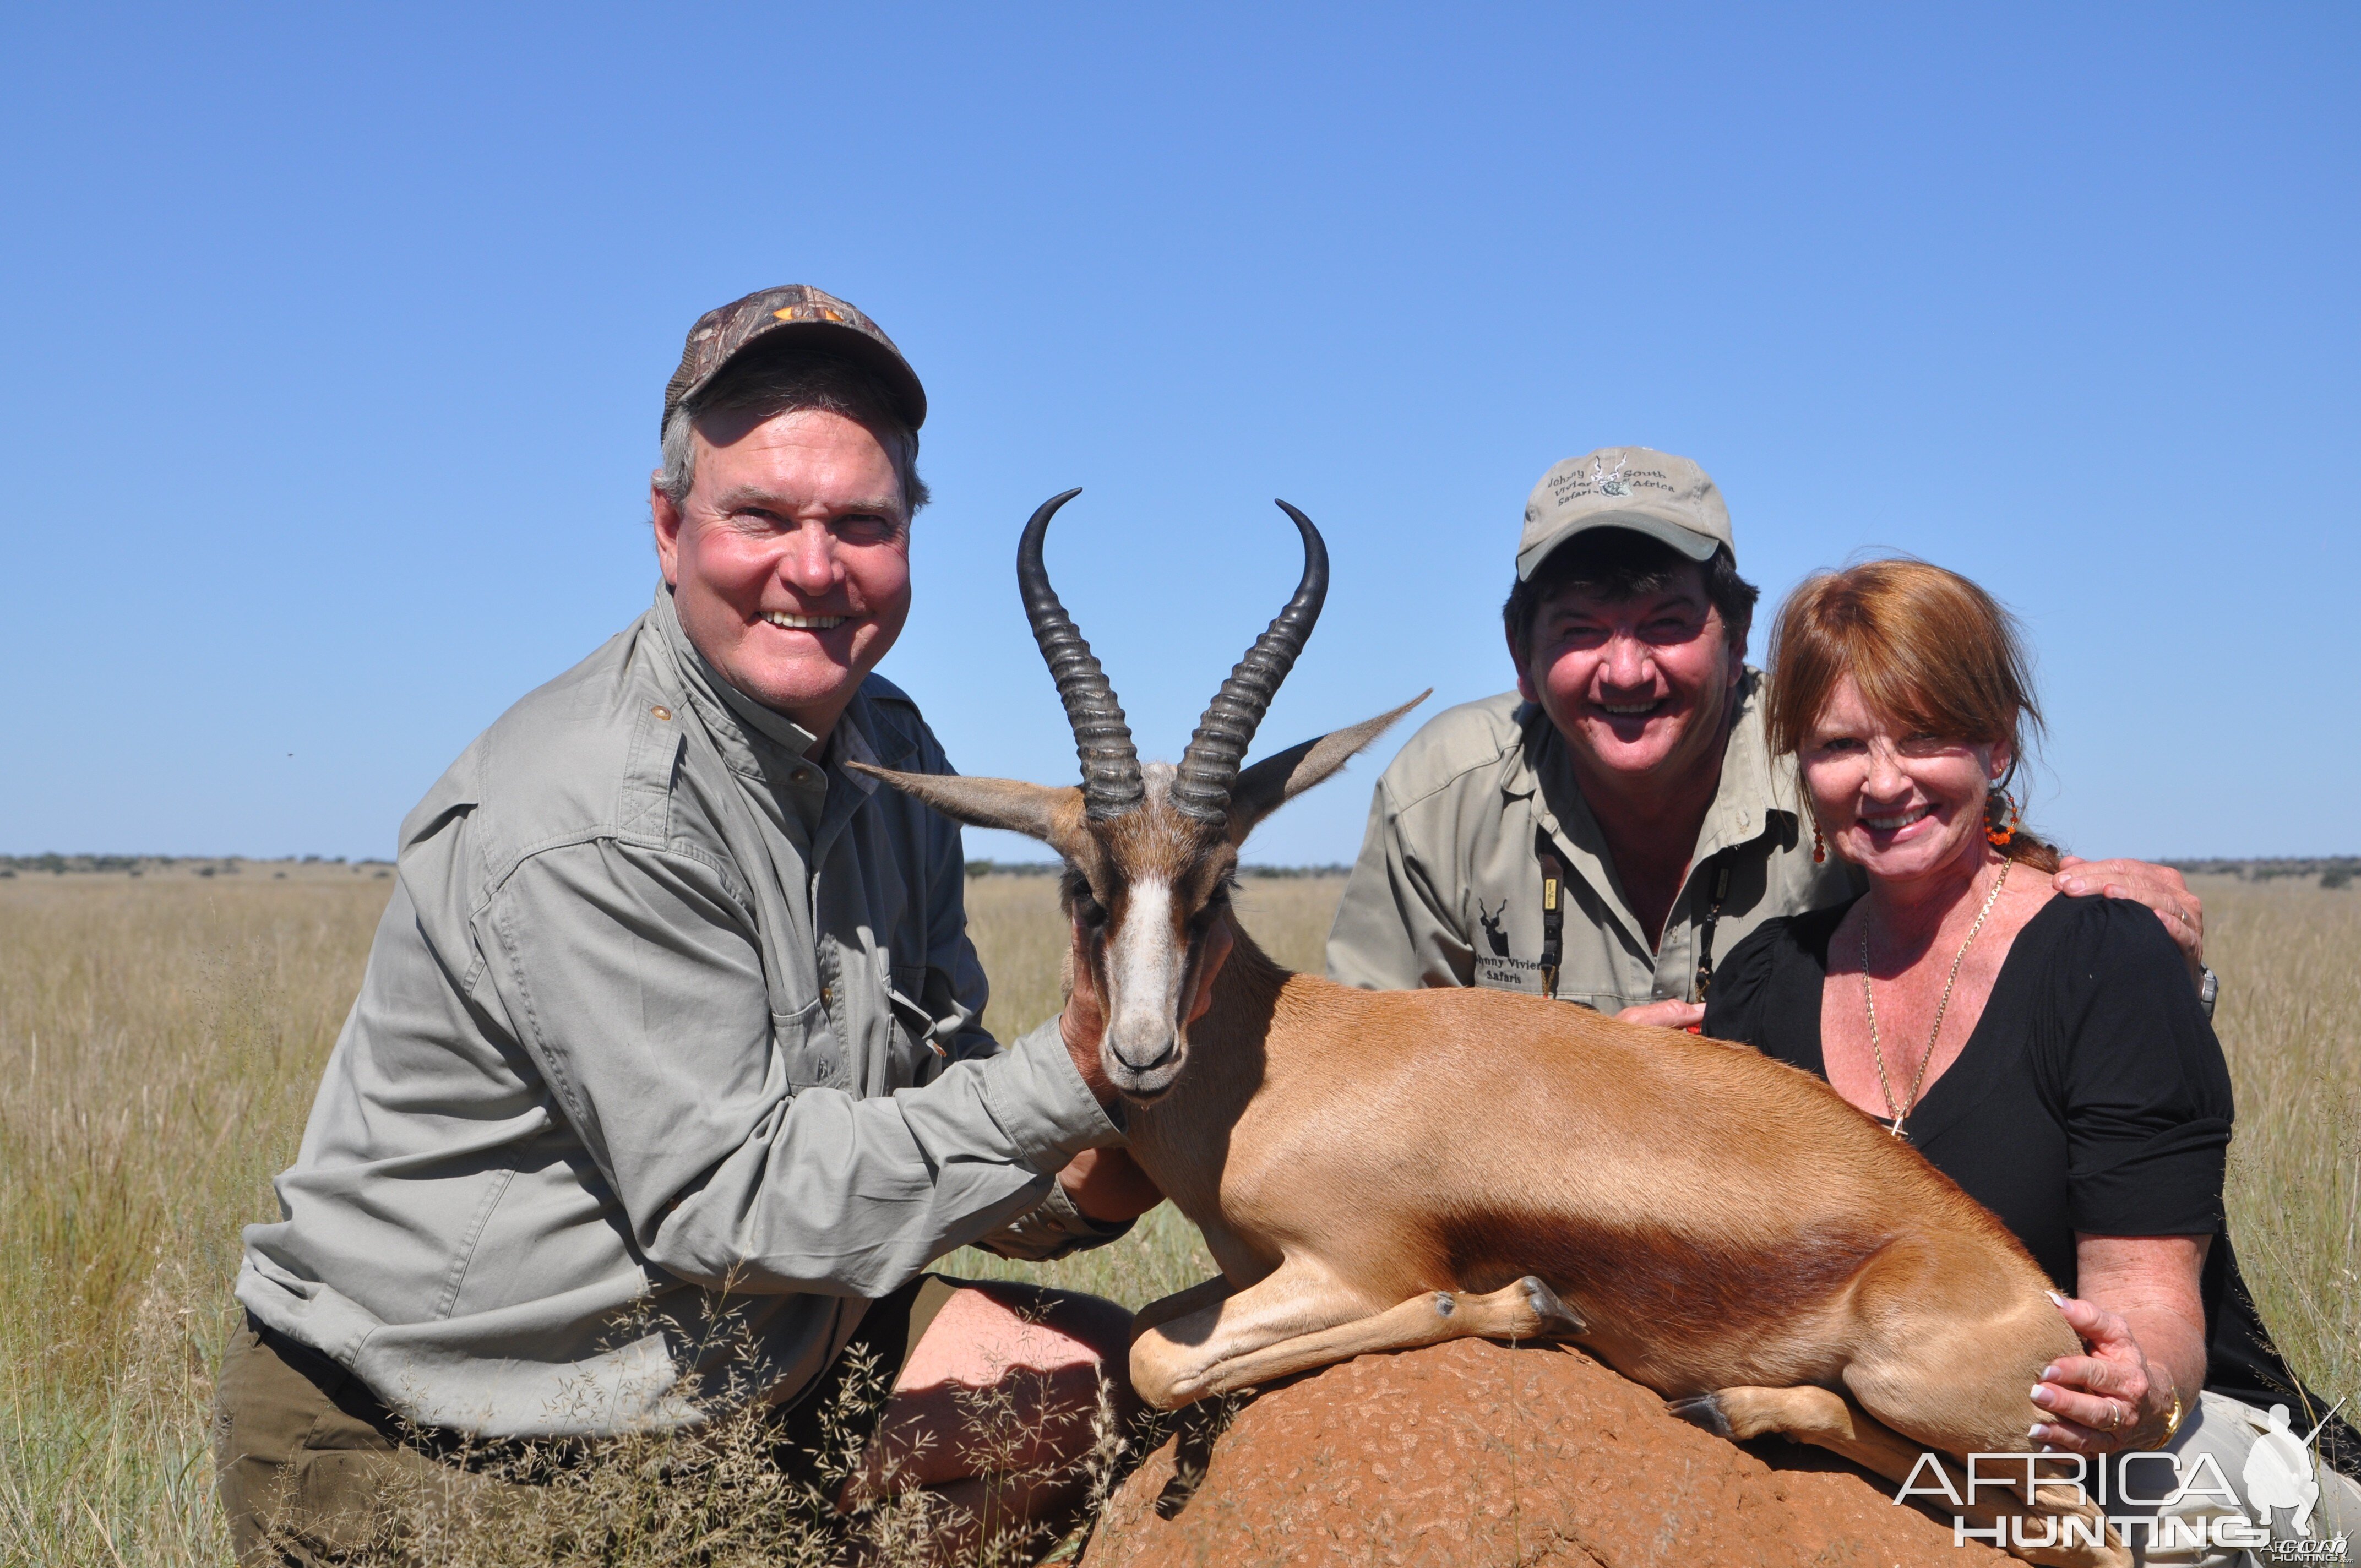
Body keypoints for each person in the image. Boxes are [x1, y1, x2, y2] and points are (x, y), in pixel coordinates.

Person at [214, 286, 1161, 1564]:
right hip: (451, 1430)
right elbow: (740, 1200)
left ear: (905, 543)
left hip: (750, 1356)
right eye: (760, 514)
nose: (814, 567)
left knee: (1103, 1373)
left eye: (861, 523)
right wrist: (1083, 1071)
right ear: (669, 529)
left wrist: (1145, 1129)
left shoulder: (891, 752)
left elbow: (931, 1089)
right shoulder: (598, 812)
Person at [1701, 559, 2358, 1561]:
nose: (1884, 782)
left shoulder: (2106, 961)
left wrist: (2139, 1391)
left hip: (2150, 1448)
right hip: (1904, 1452)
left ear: (1998, 741)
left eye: (1925, 736)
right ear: (1801, 765)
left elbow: (2152, 1306)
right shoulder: (1761, 988)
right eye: (1841, 746)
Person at [1323, 445, 2211, 1024]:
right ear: (1521, 653)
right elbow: (1363, 1077)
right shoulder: (1442, 793)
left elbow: (2000, 905)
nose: (1626, 670)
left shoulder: (1838, 762)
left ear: (1739, 637)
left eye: (1667, 621)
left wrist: (2135, 951)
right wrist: (1578, 1084)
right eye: (1581, 629)